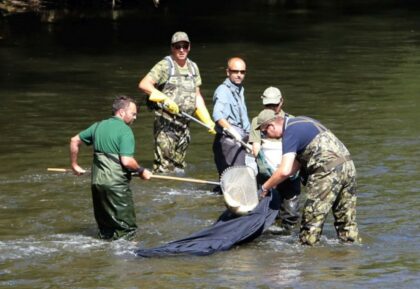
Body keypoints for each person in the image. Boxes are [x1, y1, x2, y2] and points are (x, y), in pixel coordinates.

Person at [255, 109, 359, 245]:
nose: (265, 135)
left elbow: (284, 170)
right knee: (346, 222)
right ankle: (350, 257)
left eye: (264, 132)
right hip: (348, 167)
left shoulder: (289, 133)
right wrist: (275, 182)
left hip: (327, 173)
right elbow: (296, 164)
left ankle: (307, 260)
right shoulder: (303, 121)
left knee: (310, 225)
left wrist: (264, 188)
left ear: (272, 126)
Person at [70, 95, 152, 241]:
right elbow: (126, 161)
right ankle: (128, 261)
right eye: (133, 114)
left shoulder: (98, 126)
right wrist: (141, 171)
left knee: (106, 229)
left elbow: (74, 140)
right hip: (116, 185)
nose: (135, 118)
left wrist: (74, 165)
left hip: (97, 184)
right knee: (127, 229)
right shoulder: (125, 131)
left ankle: (105, 257)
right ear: (121, 112)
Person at [139, 31, 215, 173]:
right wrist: (164, 99)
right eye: (177, 46)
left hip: (184, 126)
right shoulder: (165, 66)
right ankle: (161, 193)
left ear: (189, 47)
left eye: (184, 46)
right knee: (164, 168)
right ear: (172, 48)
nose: (181, 50)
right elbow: (144, 84)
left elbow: (197, 96)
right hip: (166, 126)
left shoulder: (193, 68)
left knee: (180, 168)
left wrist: (208, 120)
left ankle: (179, 194)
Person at [248, 87, 301, 232]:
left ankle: (288, 241)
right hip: (267, 174)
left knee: (291, 214)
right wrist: (271, 174)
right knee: (267, 213)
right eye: (268, 105)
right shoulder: (256, 122)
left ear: (281, 102)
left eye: (274, 105)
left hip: (289, 173)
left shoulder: (292, 121)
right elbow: (256, 148)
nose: (272, 108)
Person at [212, 57, 250, 178]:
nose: (239, 75)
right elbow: (217, 115)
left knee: (231, 179)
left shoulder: (239, 89)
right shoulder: (223, 90)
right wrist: (233, 132)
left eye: (242, 72)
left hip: (241, 139)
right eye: (235, 71)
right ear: (228, 72)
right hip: (229, 140)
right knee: (237, 178)